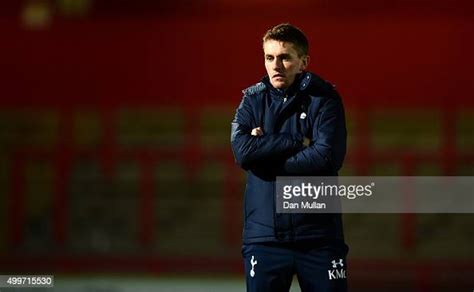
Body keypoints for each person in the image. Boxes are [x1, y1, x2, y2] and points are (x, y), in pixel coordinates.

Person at [230, 23, 349, 292]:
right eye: (269, 57)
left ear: (303, 62)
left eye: (285, 57)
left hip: (319, 238)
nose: (276, 65)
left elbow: (328, 157)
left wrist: (266, 155)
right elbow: (242, 152)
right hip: (264, 238)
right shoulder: (251, 100)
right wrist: (295, 142)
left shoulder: (325, 98)